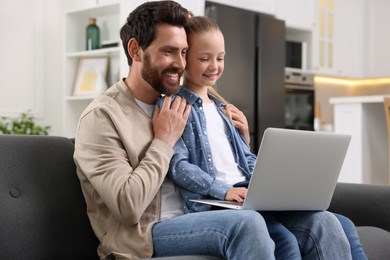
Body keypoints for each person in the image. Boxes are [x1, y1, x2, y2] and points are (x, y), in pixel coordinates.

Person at [74, 1, 352, 259]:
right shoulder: (102, 117)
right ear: (135, 50)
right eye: (168, 51)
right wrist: (164, 140)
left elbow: (214, 161)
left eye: (184, 52)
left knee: (322, 221)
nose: (181, 63)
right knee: (248, 223)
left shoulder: (179, 102)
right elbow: (127, 206)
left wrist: (243, 142)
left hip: (205, 211)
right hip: (144, 233)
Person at [159, 15, 366, 259]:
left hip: (247, 194)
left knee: (340, 223)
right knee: (284, 240)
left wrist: (271, 180)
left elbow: (245, 158)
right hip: (215, 202)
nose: (214, 66)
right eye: (204, 58)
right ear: (184, 59)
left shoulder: (224, 108)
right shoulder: (175, 107)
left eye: (220, 58)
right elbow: (178, 166)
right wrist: (223, 190)